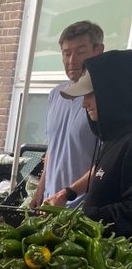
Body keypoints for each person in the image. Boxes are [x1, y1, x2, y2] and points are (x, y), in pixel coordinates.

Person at [49, 50, 132, 237]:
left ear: (115, 93)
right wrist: (68, 192)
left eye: (90, 95)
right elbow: (105, 171)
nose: (84, 104)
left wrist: (81, 217)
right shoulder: (114, 138)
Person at [30, 21, 104, 208]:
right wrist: (41, 190)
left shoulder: (105, 99)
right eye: (66, 53)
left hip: (83, 208)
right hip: (51, 203)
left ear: (98, 51)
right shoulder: (56, 94)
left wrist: (67, 193)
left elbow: (107, 162)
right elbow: (53, 148)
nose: (72, 61)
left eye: (80, 52)